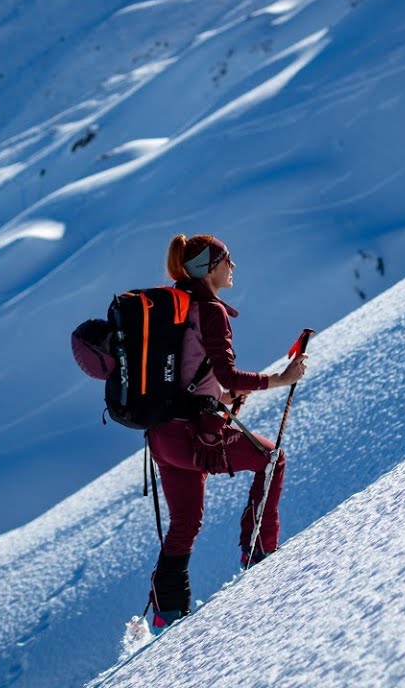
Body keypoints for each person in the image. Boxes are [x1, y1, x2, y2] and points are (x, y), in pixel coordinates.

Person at [146, 233, 307, 633]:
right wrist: (279, 379)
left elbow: (191, 375)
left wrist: (225, 396)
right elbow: (226, 373)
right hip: (194, 437)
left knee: (185, 520)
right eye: (226, 259)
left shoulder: (176, 307)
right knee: (272, 459)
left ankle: (167, 610)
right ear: (208, 267)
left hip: (162, 437)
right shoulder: (210, 311)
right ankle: (260, 550)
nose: (232, 266)